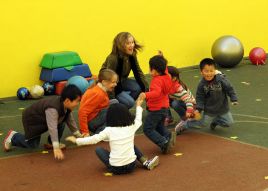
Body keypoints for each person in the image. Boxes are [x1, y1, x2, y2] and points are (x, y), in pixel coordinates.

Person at [66, 99, 159, 175]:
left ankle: (115, 164)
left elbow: (93, 140)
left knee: (98, 149)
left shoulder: (108, 130)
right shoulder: (131, 127)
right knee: (131, 145)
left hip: (115, 168)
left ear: (109, 117)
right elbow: (138, 120)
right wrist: (138, 105)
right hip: (132, 166)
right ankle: (145, 162)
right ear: (126, 115)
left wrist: (76, 140)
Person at [3, 85, 82, 160]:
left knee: (62, 121)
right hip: (32, 119)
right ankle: (13, 137)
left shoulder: (66, 106)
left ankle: (51, 143)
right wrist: (56, 147)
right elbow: (52, 128)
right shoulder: (53, 109)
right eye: (77, 101)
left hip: (42, 118)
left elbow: (70, 120)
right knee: (32, 144)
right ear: (68, 100)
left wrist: (78, 135)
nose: (78, 103)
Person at [183, 58, 238, 130]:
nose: (209, 73)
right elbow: (200, 98)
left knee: (228, 122)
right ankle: (185, 124)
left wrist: (233, 98)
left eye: (211, 71)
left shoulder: (221, 79)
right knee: (203, 124)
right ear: (201, 72)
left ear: (215, 71)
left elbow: (229, 88)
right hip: (209, 110)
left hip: (222, 108)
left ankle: (215, 121)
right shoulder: (201, 84)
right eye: (206, 71)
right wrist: (198, 109)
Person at [139, 55, 176, 154]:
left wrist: (145, 95)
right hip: (165, 108)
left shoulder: (156, 81)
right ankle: (168, 136)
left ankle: (163, 142)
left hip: (156, 109)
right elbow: (166, 68)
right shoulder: (167, 76)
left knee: (148, 129)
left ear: (154, 70)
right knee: (159, 126)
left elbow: (156, 93)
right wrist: (162, 57)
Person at [101, 32, 148, 109]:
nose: (132, 45)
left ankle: (123, 108)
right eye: (128, 43)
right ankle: (118, 108)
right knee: (130, 102)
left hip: (121, 80)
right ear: (121, 46)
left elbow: (138, 72)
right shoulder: (113, 58)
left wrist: (146, 89)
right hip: (110, 84)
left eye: (132, 42)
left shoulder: (132, 55)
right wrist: (112, 100)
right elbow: (109, 80)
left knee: (138, 87)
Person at [79, 69, 119, 137]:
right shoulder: (98, 93)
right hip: (91, 121)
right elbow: (82, 112)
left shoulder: (99, 88)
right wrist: (85, 132)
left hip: (95, 115)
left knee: (115, 102)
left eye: (116, 82)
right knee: (115, 110)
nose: (115, 84)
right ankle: (99, 133)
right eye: (113, 82)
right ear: (104, 82)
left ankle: (105, 130)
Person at [166, 66, 197, 134]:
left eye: (166, 76)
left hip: (191, 105)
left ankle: (187, 118)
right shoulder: (166, 84)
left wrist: (189, 111)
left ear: (174, 78)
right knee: (163, 99)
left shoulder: (179, 88)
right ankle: (169, 118)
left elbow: (188, 100)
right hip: (179, 101)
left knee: (175, 103)